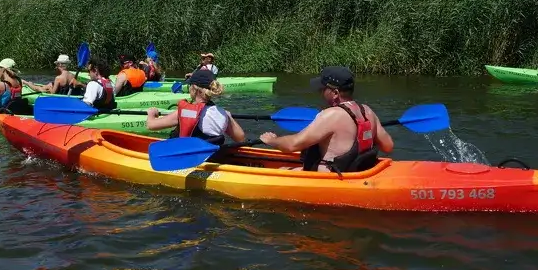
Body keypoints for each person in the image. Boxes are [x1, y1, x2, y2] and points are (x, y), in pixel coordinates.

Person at [258, 66, 394, 173]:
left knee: (282, 170)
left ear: (335, 93)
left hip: (331, 179)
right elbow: (388, 146)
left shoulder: (330, 115)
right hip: (359, 172)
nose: (320, 92)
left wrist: (272, 140)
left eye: (323, 89)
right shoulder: (367, 111)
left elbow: (292, 145)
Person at [146, 69, 244, 144]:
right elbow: (241, 138)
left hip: (185, 158)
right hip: (212, 158)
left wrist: (151, 114)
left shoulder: (185, 112)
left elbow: (151, 125)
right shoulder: (222, 114)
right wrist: (229, 117)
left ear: (194, 89)